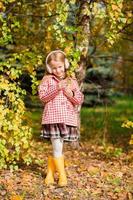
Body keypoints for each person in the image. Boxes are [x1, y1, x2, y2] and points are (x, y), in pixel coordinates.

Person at [38, 50, 84, 187]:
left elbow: (79, 99)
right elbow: (43, 97)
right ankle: (62, 177)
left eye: (60, 66)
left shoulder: (71, 80)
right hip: (53, 118)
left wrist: (70, 94)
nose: (57, 70)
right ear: (49, 68)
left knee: (58, 148)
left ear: (65, 64)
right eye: (54, 68)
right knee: (57, 147)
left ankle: (50, 174)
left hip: (67, 118)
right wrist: (57, 88)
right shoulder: (47, 80)